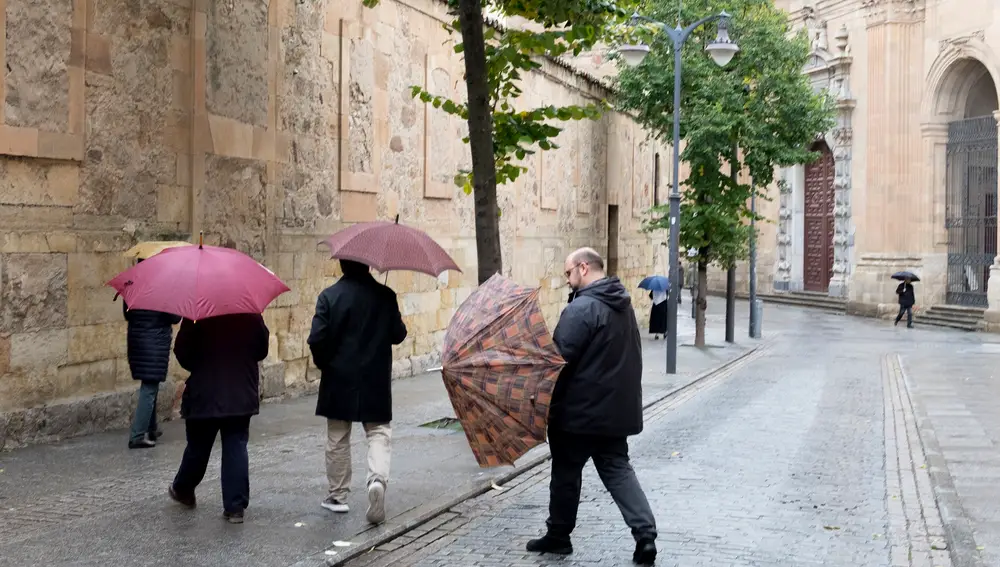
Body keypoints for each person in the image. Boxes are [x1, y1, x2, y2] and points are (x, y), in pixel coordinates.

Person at [527, 247, 657, 565]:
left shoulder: (582, 309)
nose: (567, 279)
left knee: (566, 474)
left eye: (569, 273)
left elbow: (559, 360)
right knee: (618, 471)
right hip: (614, 411)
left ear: (583, 268)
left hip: (577, 414)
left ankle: (559, 536)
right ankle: (645, 535)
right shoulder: (622, 304)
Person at [308, 259, 407, 525]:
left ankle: (338, 496)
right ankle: (376, 481)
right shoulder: (385, 296)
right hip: (374, 377)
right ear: (369, 265)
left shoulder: (328, 297)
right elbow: (399, 335)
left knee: (338, 436)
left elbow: (316, 338)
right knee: (378, 432)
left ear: (342, 266)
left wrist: (326, 364)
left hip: (338, 377)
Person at [167, 313, 270, 524]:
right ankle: (235, 507)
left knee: (198, 445)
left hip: (205, 390)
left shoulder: (197, 312)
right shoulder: (249, 311)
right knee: (236, 444)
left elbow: (182, 352)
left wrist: (202, 363)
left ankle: (184, 488)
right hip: (240, 390)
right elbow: (261, 349)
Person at [122, 260, 182, 449]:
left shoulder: (131, 285)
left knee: (150, 384)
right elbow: (174, 318)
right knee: (149, 387)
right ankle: (138, 435)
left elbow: (127, 314)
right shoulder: (163, 287)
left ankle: (151, 427)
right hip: (154, 342)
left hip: (137, 341)